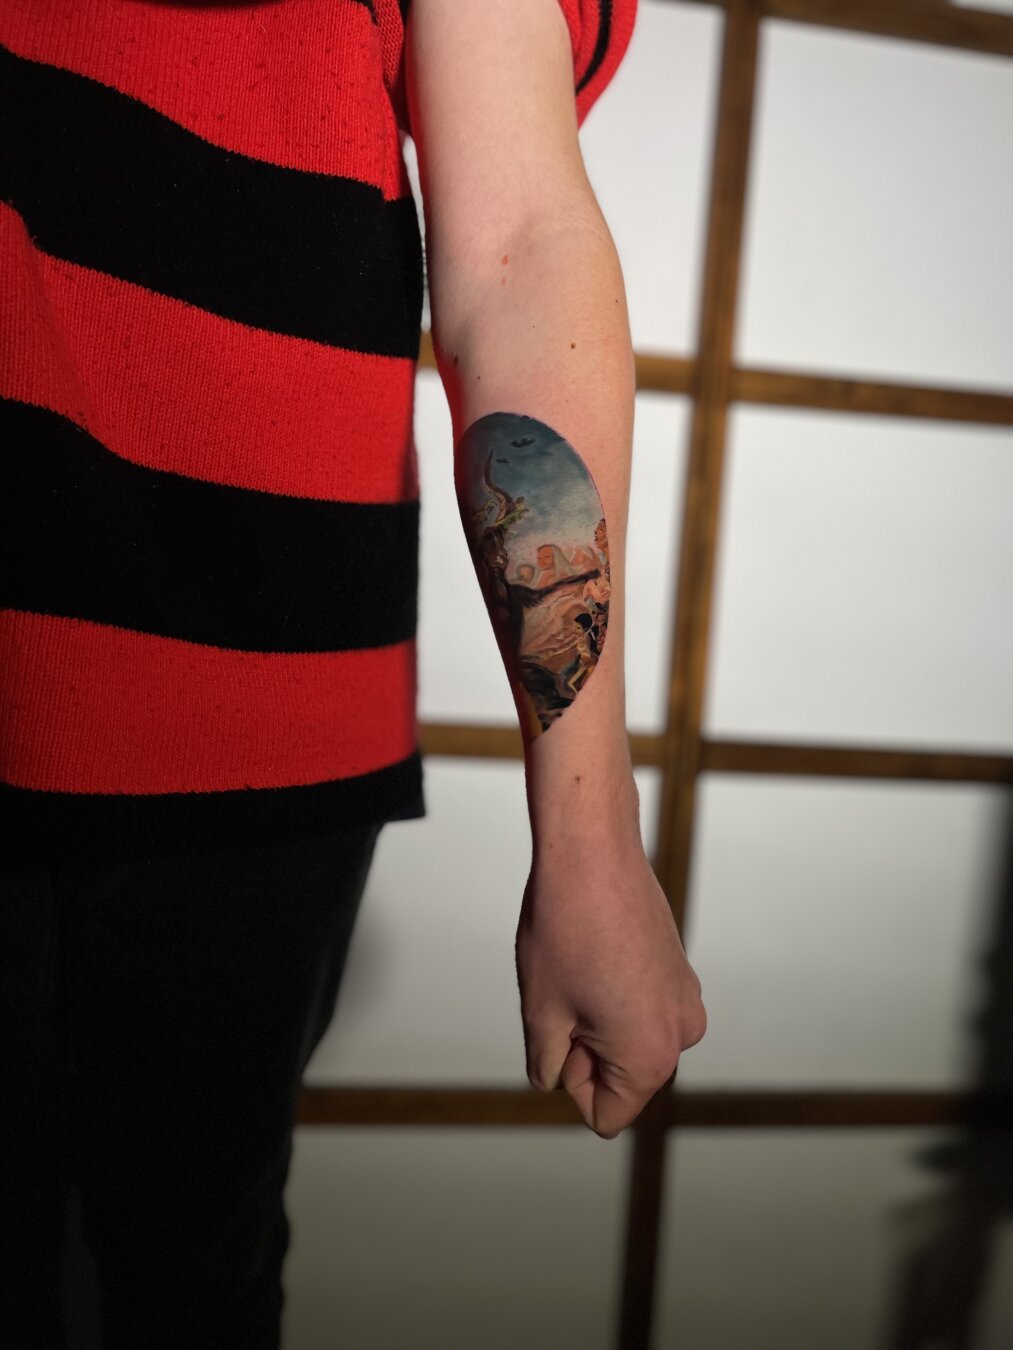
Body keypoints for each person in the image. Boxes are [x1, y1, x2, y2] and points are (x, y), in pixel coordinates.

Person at [0, 0, 706, 1344]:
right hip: (249, 657)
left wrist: (590, 841)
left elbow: (514, 247)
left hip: (263, 684)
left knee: (188, 1281)